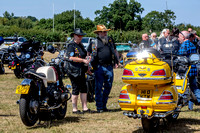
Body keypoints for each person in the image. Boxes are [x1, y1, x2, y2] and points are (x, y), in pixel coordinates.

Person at [87, 24, 119, 113]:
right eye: (103, 32)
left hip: (109, 67)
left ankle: (104, 105)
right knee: (98, 87)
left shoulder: (110, 41)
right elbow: (88, 53)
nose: (105, 33)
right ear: (98, 33)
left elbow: (115, 51)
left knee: (108, 86)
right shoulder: (94, 42)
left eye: (106, 31)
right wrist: (89, 65)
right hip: (98, 67)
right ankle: (99, 107)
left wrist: (117, 61)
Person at [67, 28, 93, 114]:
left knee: (84, 89)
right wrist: (82, 60)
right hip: (74, 71)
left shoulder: (81, 45)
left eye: (81, 36)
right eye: (79, 36)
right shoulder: (71, 45)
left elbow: (85, 55)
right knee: (75, 89)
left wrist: (87, 60)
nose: (80, 37)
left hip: (81, 70)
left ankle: (85, 108)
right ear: (74, 36)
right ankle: (75, 109)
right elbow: (70, 57)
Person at [178, 31, 200, 107]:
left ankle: (182, 103)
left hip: (186, 70)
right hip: (193, 69)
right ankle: (190, 106)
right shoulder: (192, 44)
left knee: (184, 88)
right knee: (194, 87)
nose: (178, 38)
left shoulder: (184, 45)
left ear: (183, 37)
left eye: (179, 36)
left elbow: (181, 57)